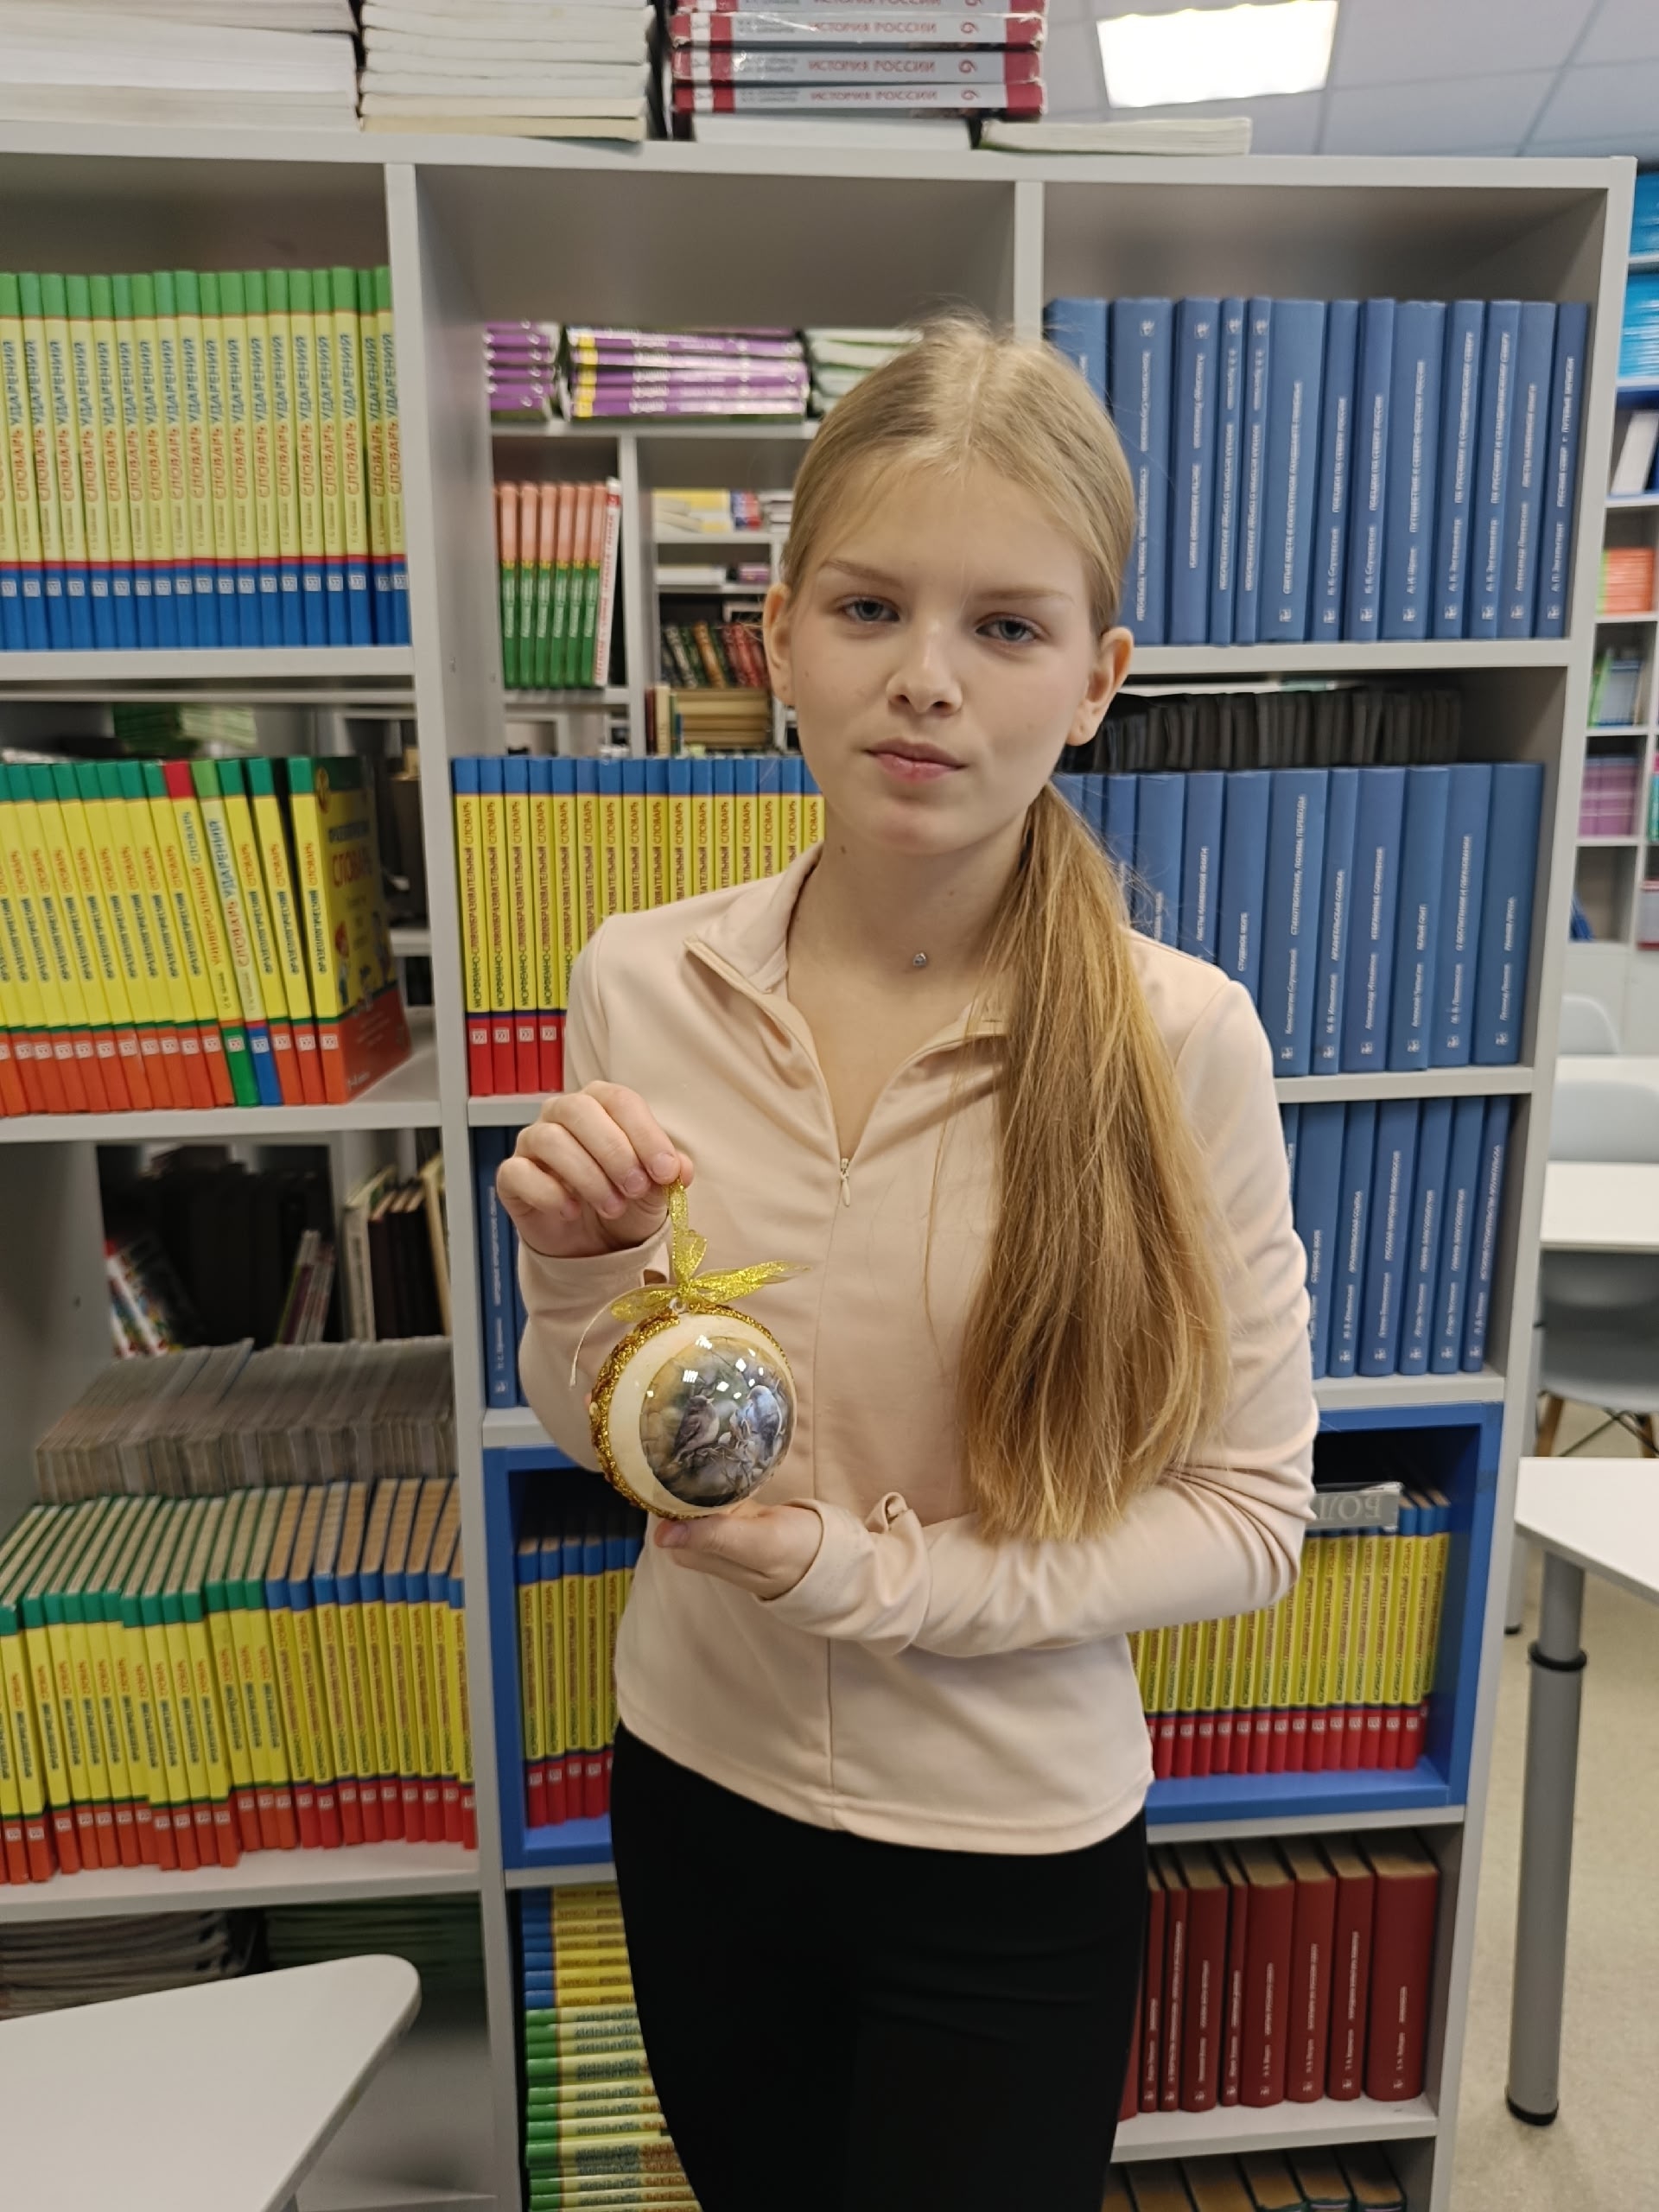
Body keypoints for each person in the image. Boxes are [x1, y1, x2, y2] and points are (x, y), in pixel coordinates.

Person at [501, 315, 1318, 2212]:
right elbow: (606, 1418)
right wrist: (575, 1285)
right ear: (777, 637)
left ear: (1098, 680)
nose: (925, 679)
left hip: (1007, 1848)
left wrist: (873, 1582)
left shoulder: (1182, 1038)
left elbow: (1252, 1516)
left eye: (1006, 627)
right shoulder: (640, 977)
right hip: (697, 1787)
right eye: (870, 607)